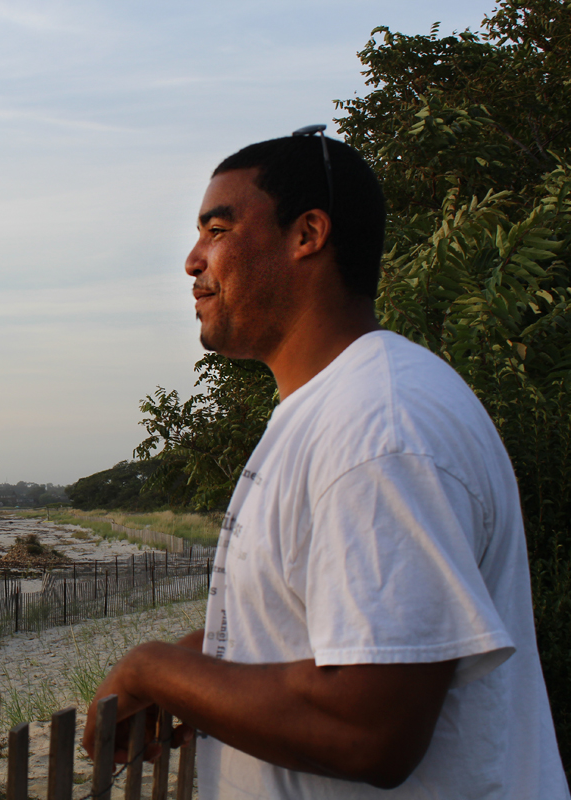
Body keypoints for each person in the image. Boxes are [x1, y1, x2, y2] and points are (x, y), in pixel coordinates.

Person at [82, 131, 568, 798]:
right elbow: (317, 627)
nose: (193, 261)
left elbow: (370, 728)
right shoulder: (344, 407)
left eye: (217, 229)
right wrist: (200, 675)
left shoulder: (378, 429)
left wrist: (151, 672)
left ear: (307, 233)